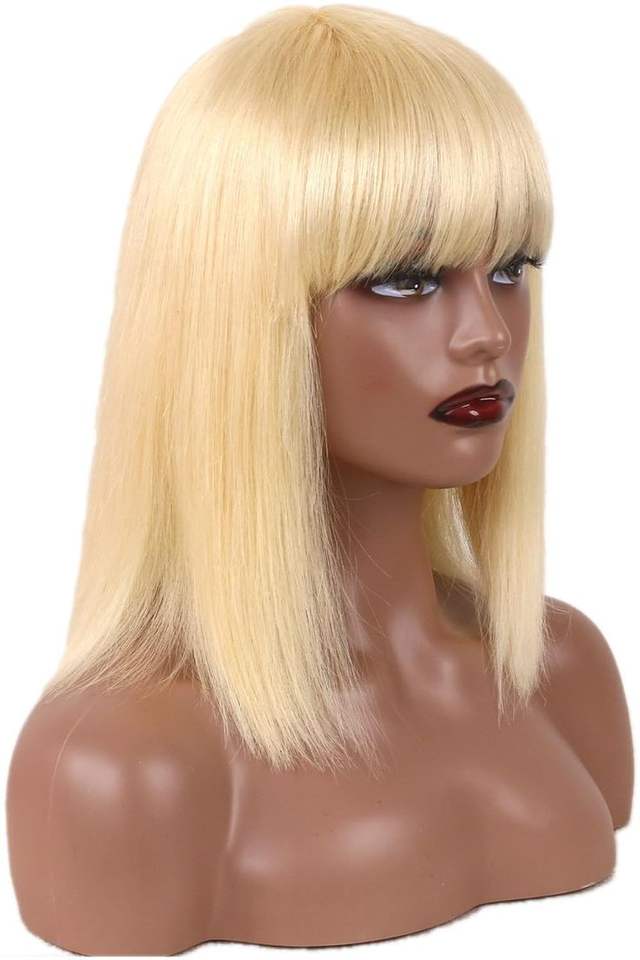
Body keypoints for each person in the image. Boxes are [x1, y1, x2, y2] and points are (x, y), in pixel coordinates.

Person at [7, 4, 633, 954]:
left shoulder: (559, 668)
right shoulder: (119, 765)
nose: (487, 332)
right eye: (406, 278)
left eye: (511, 267)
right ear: (238, 315)